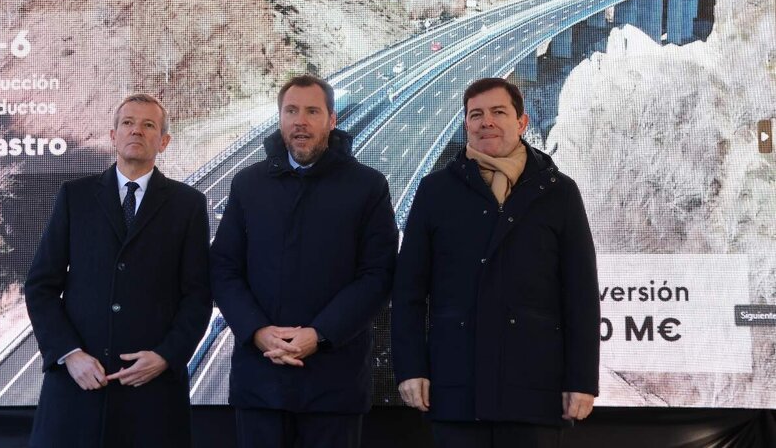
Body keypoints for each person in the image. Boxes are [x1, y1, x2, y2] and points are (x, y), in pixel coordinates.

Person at [391, 78, 600, 447]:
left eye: (498, 112)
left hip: (535, 388)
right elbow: (408, 292)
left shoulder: (559, 192)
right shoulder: (435, 191)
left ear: (521, 122)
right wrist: (410, 369)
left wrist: (581, 380)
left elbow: (581, 295)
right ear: (466, 124)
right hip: (455, 387)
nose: (486, 121)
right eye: (476, 114)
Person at [210, 75, 398, 448]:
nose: (301, 120)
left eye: (313, 111)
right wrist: (258, 332)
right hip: (260, 380)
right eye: (291, 110)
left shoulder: (368, 186)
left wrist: (319, 335)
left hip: (334, 383)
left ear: (332, 119)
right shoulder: (248, 184)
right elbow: (224, 268)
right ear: (279, 118)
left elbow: (378, 275)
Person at [24, 94, 211, 448]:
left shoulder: (188, 205)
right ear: (113, 135)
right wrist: (69, 354)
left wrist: (166, 356)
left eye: (148, 125)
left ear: (164, 141)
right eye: (127, 123)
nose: (136, 131)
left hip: (151, 393)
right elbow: (40, 287)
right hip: (78, 387)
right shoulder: (74, 197)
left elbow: (198, 295)